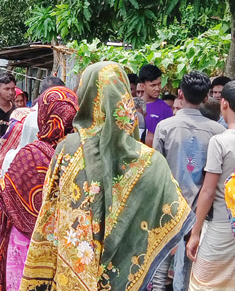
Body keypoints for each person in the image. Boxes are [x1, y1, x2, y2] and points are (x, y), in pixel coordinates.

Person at [17, 62, 193, 291]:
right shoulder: (151, 162)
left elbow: (49, 215)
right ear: (124, 99)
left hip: (73, 275)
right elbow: (172, 215)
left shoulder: (68, 150)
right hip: (125, 276)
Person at [0, 86, 78, 291]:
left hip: (24, 242)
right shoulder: (80, 155)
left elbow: (4, 193)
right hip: (65, 243)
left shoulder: (30, 155)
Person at [151, 72, 225, 291]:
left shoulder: (164, 127)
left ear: (180, 94)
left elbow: (157, 172)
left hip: (168, 208)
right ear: (205, 98)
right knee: (189, 272)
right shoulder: (218, 132)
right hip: (202, 213)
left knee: (159, 268)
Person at [187, 80, 235, 290]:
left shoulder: (220, 142)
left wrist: (195, 232)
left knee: (202, 283)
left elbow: (207, 192)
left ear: (223, 103)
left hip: (221, 226)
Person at [0, 76, 66, 182]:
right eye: (7, 89)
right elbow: (3, 149)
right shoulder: (22, 116)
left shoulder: (20, 112)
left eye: (12, 89)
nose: (11, 92)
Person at [139, 64, 173, 147]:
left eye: (159, 84)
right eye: (153, 85)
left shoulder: (166, 109)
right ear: (142, 86)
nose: (157, 88)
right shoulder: (132, 106)